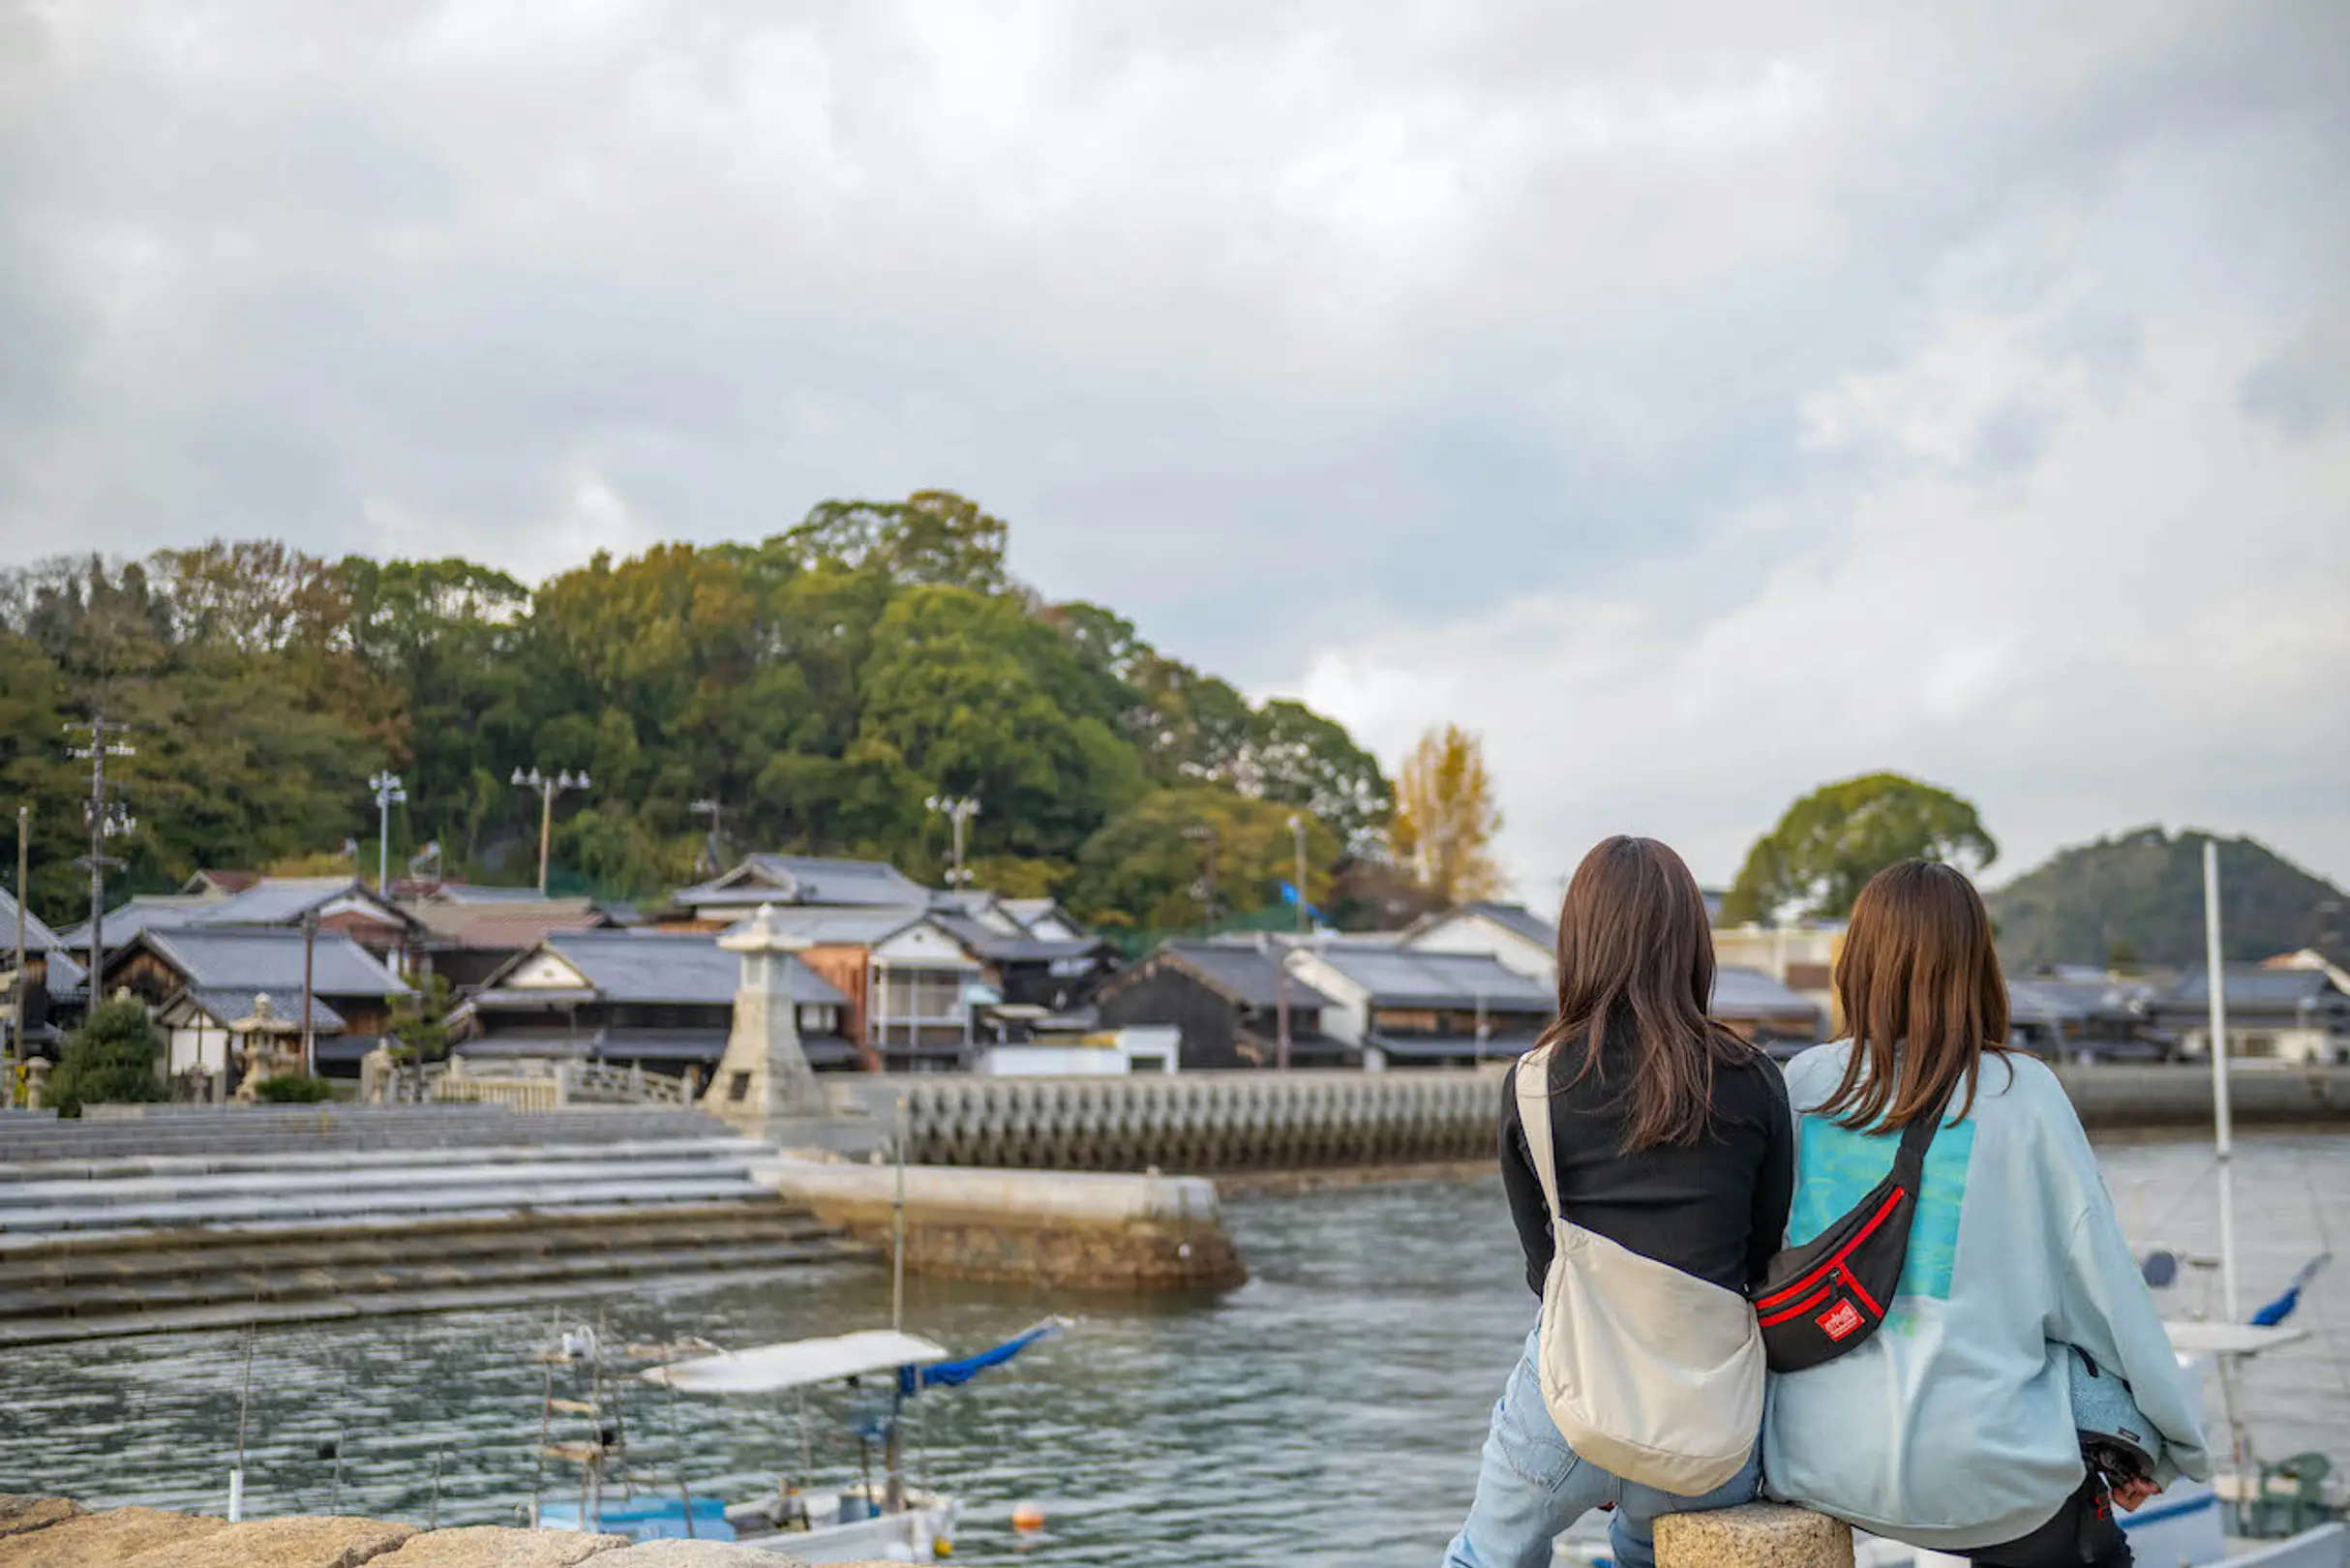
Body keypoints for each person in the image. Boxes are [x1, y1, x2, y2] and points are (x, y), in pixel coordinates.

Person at [1764, 860, 2211, 1567]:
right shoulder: (2023, 1093)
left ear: (1858, 965)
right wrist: (2165, 1440)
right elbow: (2105, 1295)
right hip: (1981, 1474)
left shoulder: (1803, 1084)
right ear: (1976, 967)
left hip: (1815, 1458)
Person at [1446, 836, 1795, 1568]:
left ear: (1579, 942)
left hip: (1569, 1402)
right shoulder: (1756, 1081)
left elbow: (1546, 1271)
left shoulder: (1537, 1081)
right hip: (1705, 1422)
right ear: (1693, 944)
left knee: (1487, 1558)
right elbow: (1762, 1254)